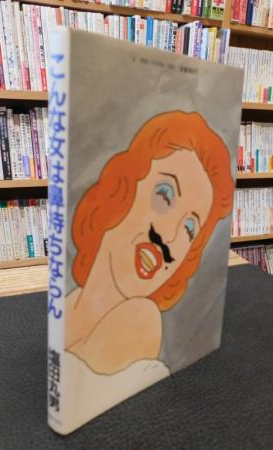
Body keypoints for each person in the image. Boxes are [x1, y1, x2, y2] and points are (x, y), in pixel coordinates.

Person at [65, 110, 234, 375]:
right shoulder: (67, 306)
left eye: (189, 228)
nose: (169, 240)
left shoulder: (139, 318)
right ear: (122, 188)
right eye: (165, 195)